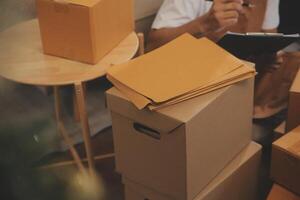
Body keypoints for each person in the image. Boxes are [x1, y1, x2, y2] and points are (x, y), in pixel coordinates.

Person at [147, 0, 280, 51]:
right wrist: (205, 23)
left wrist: (273, 55)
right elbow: (153, 45)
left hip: (246, 78)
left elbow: (270, 34)